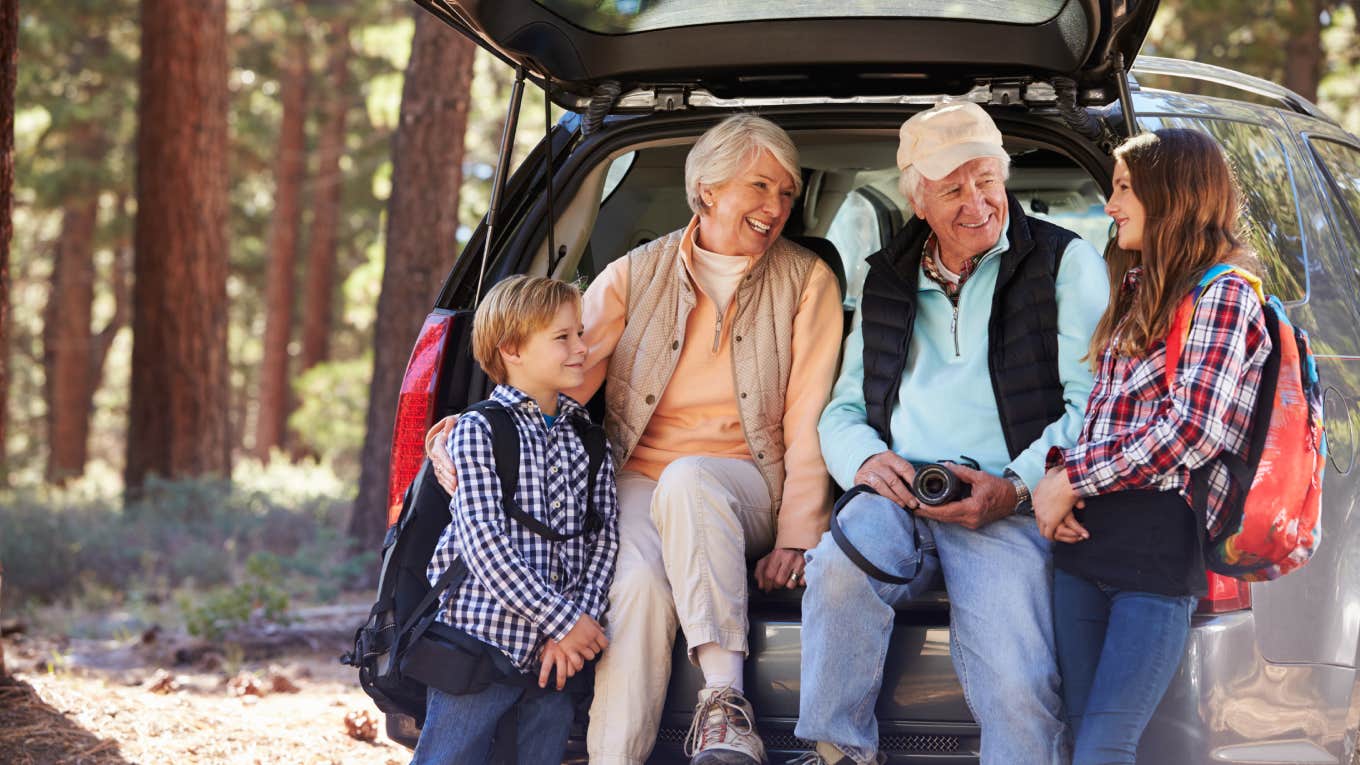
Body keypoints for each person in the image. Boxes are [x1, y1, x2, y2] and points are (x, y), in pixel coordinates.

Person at [426, 114, 845, 765]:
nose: (777, 207)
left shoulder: (807, 280)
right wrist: (471, 423)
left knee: (691, 478)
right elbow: (557, 370)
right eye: (761, 187)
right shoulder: (633, 274)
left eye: (787, 193)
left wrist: (797, 533)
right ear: (707, 190)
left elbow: (808, 414)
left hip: (749, 488)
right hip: (639, 481)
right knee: (633, 584)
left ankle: (724, 706)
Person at [794, 101, 1110, 765]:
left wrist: (1016, 485)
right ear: (917, 199)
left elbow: (1094, 403)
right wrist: (865, 459)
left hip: (1006, 501)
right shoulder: (886, 278)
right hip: (902, 487)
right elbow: (842, 409)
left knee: (1021, 686)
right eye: (952, 187)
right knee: (836, 569)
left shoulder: (1066, 263)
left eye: (986, 179)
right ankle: (839, 751)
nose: (977, 202)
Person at [1032, 128, 1271, 764]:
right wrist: (1062, 478)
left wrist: (1070, 480)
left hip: (1156, 557)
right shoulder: (1138, 289)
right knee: (1085, 740)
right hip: (1085, 550)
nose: (1110, 205)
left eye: (1123, 188)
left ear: (1172, 195)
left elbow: (1194, 430)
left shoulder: (1224, 295)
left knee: (1105, 748)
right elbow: (1104, 418)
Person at [411, 275, 620, 765]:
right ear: (512, 350)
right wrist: (565, 621)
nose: (581, 349)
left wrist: (573, 631)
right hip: (482, 643)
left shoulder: (589, 440)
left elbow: (605, 539)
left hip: (554, 661)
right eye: (562, 338)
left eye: (581, 334)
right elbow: (483, 543)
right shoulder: (479, 431)